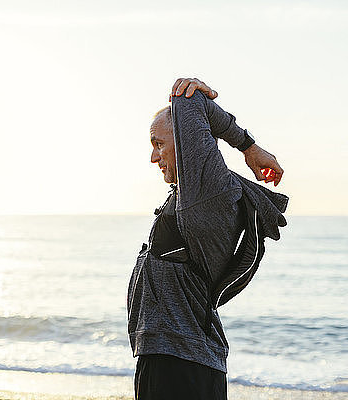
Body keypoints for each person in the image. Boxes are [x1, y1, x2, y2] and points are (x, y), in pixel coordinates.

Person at [127, 78, 289, 399]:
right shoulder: (190, 195)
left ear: (187, 141)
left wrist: (249, 147)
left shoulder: (208, 192)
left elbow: (188, 102)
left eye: (158, 143)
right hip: (171, 358)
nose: (153, 156)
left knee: (182, 95)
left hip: (180, 366)